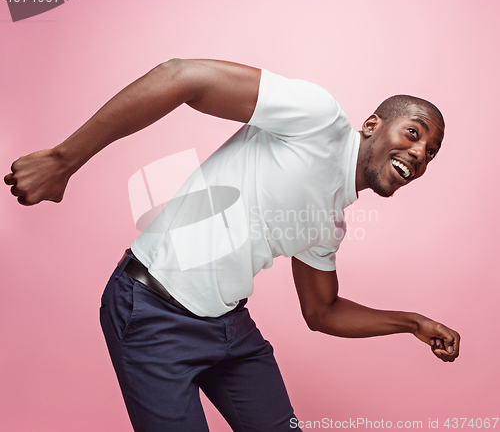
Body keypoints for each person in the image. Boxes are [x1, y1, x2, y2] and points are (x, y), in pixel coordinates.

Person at [4, 59, 460, 432]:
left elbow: (322, 312)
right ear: (373, 125)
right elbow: (182, 77)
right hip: (152, 312)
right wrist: (63, 160)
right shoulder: (318, 119)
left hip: (228, 329)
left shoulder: (330, 222)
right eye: (414, 133)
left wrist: (412, 323)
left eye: (431, 152)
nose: (420, 154)